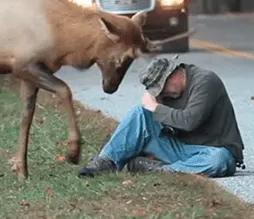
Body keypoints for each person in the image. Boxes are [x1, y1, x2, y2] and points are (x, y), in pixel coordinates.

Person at [78, 57, 245, 178]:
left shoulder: (206, 81)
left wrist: (156, 107)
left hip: (212, 150)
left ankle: (160, 170)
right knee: (139, 113)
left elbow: (189, 121)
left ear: (173, 75)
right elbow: (156, 124)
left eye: (162, 89)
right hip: (177, 147)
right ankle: (105, 163)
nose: (163, 94)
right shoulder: (168, 93)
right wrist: (152, 110)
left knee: (218, 160)